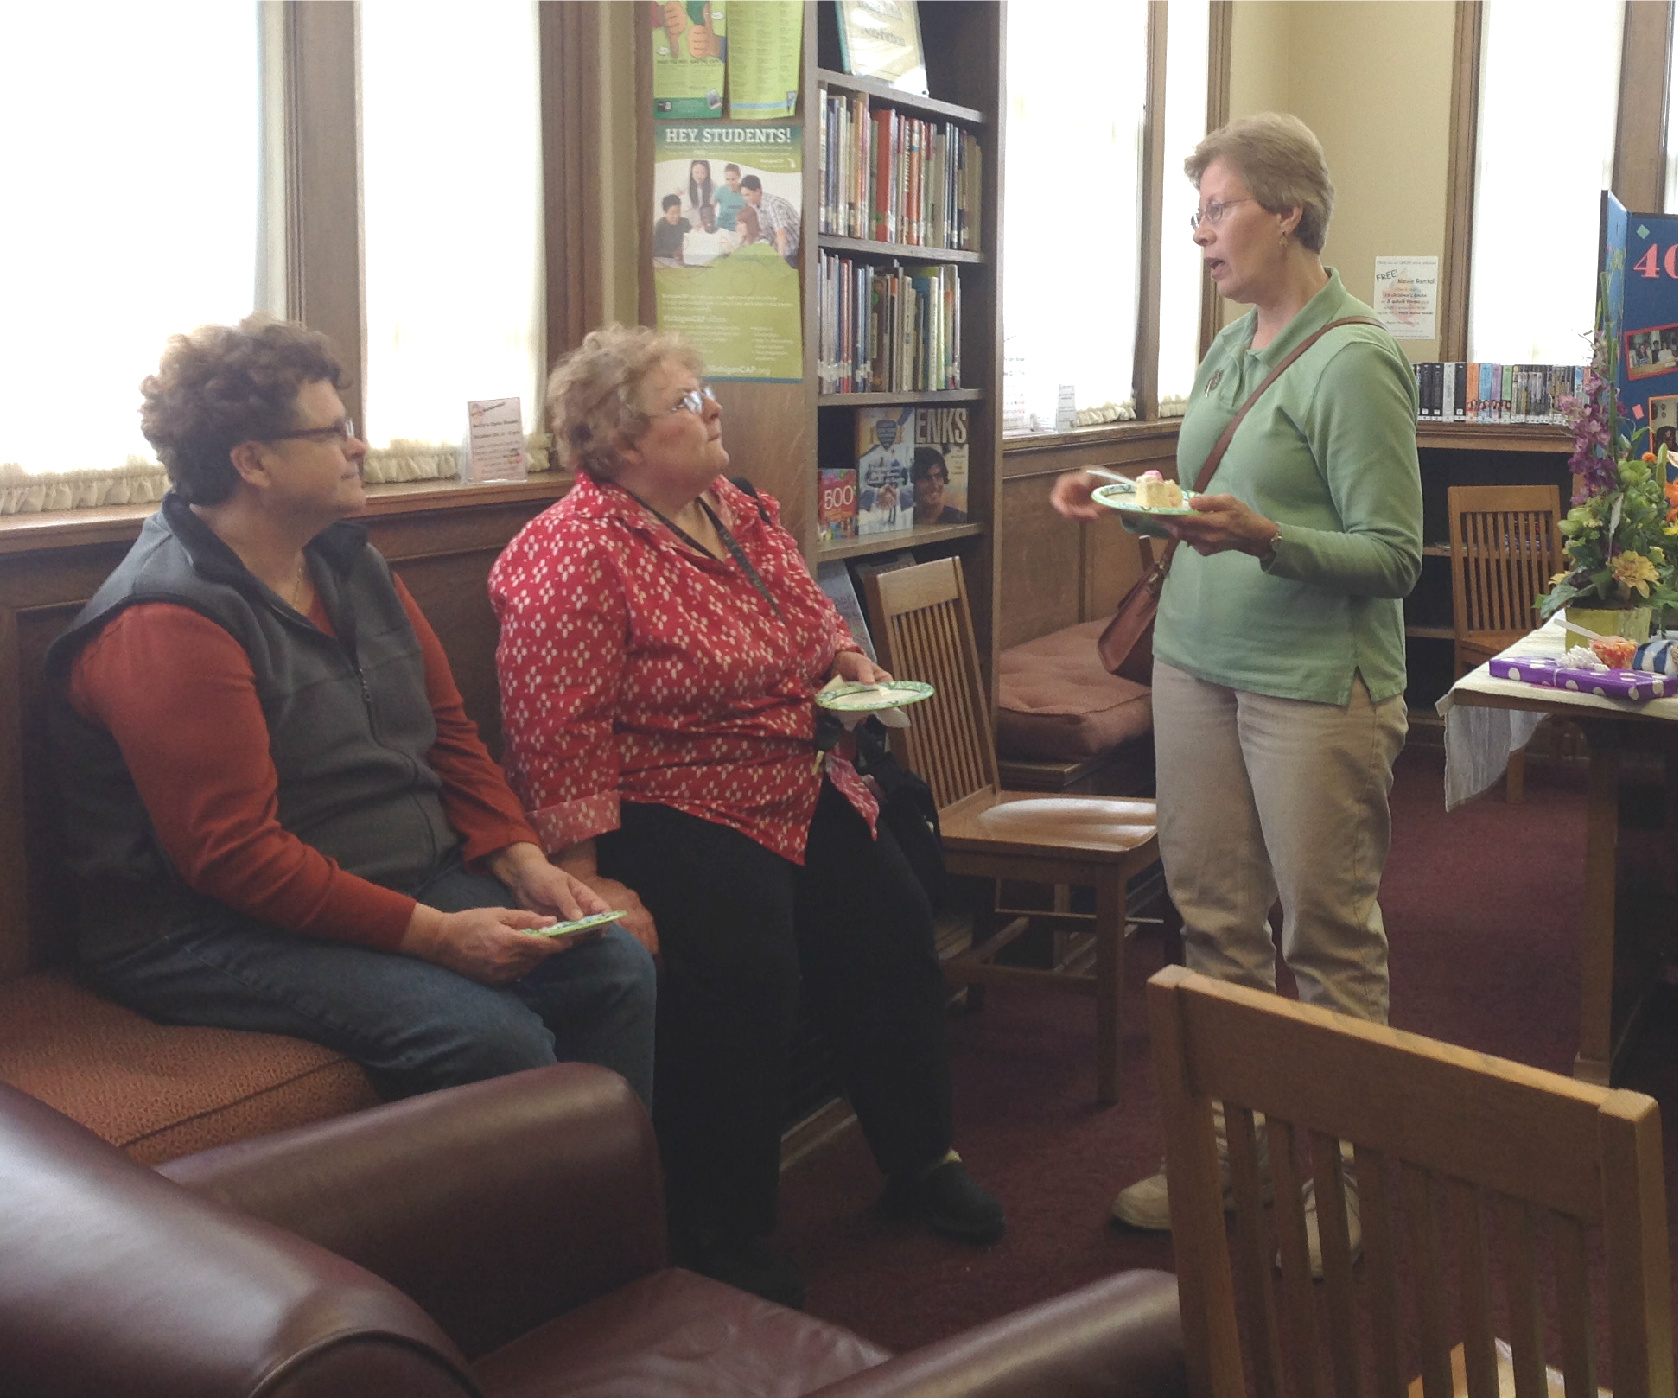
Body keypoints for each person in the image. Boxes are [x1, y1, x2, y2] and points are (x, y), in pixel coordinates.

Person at [490, 324, 1004, 1309]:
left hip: (790, 772)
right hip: (667, 797)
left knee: (892, 926)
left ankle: (919, 1158)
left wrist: (845, 661)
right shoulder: (572, 552)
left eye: (706, 388)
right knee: (744, 969)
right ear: (620, 440)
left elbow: (809, 613)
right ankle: (720, 1224)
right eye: (688, 400)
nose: (713, 408)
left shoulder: (731, 507)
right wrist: (588, 875)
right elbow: (555, 732)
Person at [47, 317, 658, 1111]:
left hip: (399, 873)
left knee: (612, 964)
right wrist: (439, 936)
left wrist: (524, 861)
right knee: (490, 1040)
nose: (358, 447)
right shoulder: (166, 619)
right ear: (252, 462)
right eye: (334, 431)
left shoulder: (349, 561)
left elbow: (452, 738)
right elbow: (236, 860)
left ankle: (613, 1229)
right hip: (204, 932)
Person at [1052, 113, 1421, 1258]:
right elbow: (1207, 480)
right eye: (1197, 214)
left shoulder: (1355, 356)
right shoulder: (1231, 341)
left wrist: (1264, 538)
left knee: (1324, 943)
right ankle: (1231, 1159)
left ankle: (1344, 1187)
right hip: (1193, 669)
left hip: (1313, 690)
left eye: (1216, 210)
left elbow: (1392, 555)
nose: (1200, 235)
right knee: (1211, 929)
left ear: (1286, 212)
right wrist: (1126, 490)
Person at [740, 173, 800, 265]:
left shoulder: (773, 205)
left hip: (795, 251)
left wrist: (780, 263)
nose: (745, 199)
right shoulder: (755, 206)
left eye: (747, 195)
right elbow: (761, 233)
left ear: (757, 191)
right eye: (743, 195)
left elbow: (781, 234)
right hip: (780, 249)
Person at [910, 446, 966, 526]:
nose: (935, 485)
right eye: (927, 478)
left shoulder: (959, 520)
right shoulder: (905, 520)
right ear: (913, 482)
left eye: (938, 476)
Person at [653, 193, 689, 266]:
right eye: (672, 213)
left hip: (682, 260)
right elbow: (654, 251)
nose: (676, 216)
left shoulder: (684, 222)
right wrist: (673, 254)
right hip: (663, 261)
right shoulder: (660, 225)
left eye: (678, 212)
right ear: (665, 212)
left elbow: (694, 234)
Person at [714, 162, 746, 233]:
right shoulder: (721, 190)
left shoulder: (745, 192)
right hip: (722, 229)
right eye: (727, 179)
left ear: (739, 177)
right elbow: (709, 207)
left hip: (739, 230)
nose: (730, 183)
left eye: (733, 179)